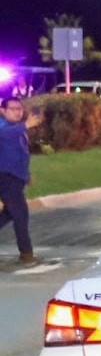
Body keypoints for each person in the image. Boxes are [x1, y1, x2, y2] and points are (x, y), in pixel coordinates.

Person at [0, 96, 43, 265]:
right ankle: (26, 254)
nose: (18, 112)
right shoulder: (4, 127)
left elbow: (20, 153)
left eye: (20, 109)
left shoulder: (16, 127)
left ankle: (26, 253)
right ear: (2, 110)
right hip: (5, 176)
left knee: (10, 213)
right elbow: (5, 135)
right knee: (20, 214)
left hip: (15, 176)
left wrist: (26, 174)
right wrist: (26, 124)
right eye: (13, 109)